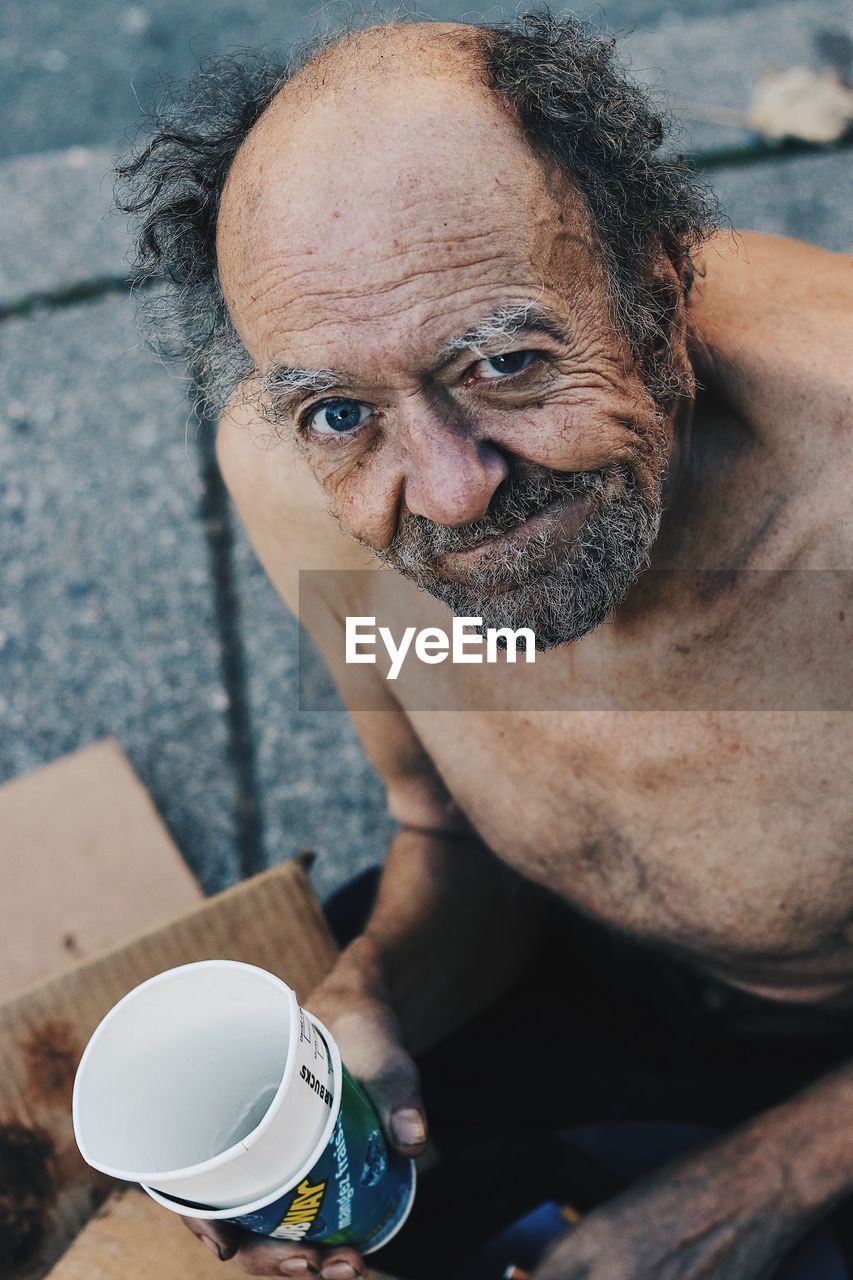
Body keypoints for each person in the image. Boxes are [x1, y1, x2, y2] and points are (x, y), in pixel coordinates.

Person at [118, 13, 852, 1279]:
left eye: (506, 361)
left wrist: (762, 1179)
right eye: (343, 408)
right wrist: (379, 990)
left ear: (660, 304)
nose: (449, 494)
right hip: (587, 957)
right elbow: (443, 825)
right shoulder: (283, 459)